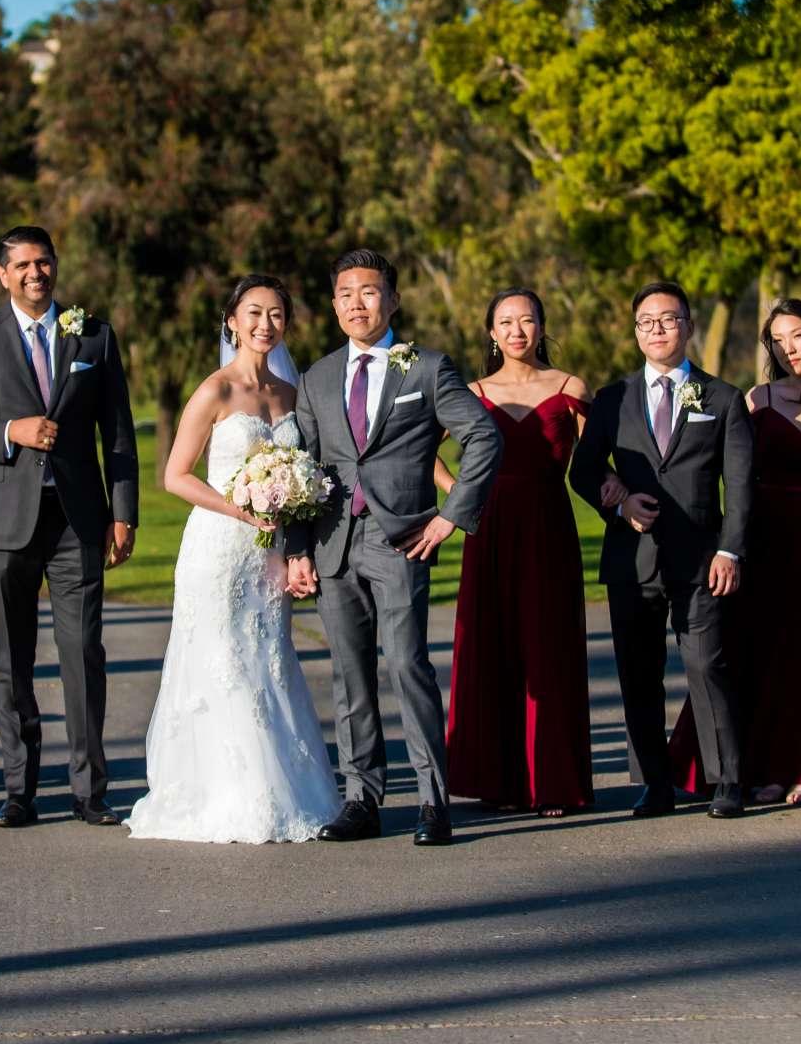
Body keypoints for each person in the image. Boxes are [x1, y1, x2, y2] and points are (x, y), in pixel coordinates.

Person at [285, 248, 502, 847]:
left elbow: (483, 437)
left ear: (394, 300)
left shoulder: (427, 369)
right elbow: (302, 464)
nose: (358, 303)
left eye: (370, 291)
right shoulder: (317, 377)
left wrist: (449, 518)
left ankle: (434, 802)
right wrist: (297, 547)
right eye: (346, 294)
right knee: (350, 677)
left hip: (401, 540)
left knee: (407, 665)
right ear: (334, 305)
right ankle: (362, 800)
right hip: (332, 543)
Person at [0, 227, 141, 828]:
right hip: (1, 520)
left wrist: (123, 513)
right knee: (10, 660)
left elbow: (117, 434)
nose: (34, 274)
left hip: (78, 518)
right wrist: (6, 432)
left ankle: (90, 791)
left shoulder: (93, 334)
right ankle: (20, 789)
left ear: (55, 264)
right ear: (3, 274)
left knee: (83, 655)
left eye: (43, 262)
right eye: (21, 265)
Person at [127, 276, 341, 843]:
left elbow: (307, 477)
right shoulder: (214, 391)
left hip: (269, 556)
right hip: (219, 548)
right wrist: (240, 509)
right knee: (222, 662)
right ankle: (232, 795)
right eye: (253, 313)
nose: (264, 324)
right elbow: (175, 476)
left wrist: (293, 535)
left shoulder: (292, 396)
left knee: (267, 659)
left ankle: (287, 790)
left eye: (275, 314)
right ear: (231, 320)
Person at [671, 300, 801, 804]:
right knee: (761, 653)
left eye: (798, 336)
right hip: (764, 536)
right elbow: (731, 470)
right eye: (778, 340)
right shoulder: (756, 398)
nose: (789, 349)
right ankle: (762, 766)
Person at [569, 281, 755, 820]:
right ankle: (656, 784)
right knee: (638, 672)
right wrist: (620, 500)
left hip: (701, 559)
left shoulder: (723, 399)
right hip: (632, 558)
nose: (657, 330)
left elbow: (740, 487)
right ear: (635, 333)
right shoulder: (612, 399)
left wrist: (731, 552)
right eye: (646, 322)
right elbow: (583, 470)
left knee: (707, 666)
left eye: (668, 320)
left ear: (689, 327)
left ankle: (726, 781)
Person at [434, 287, 598, 817]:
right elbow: (422, 452)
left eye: (527, 321)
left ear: (542, 327)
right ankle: (496, 781)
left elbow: (595, 462)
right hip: (490, 526)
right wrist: (461, 497)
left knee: (550, 647)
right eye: (506, 322)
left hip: (550, 524)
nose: (517, 331)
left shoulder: (571, 387)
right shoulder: (471, 391)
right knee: (492, 643)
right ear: (491, 332)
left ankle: (554, 781)